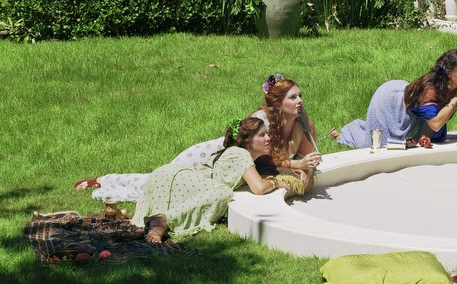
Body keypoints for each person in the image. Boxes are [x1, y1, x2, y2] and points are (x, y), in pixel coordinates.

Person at [74, 72, 287, 200]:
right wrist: (280, 180)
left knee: (153, 183)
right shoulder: (258, 125)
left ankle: (105, 180)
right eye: (293, 97)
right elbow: (260, 184)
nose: (300, 102)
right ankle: (103, 180)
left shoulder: (293, 124)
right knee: (151, 181)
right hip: (205, 155)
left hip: (210, 168)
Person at [129, 115, 294, 243]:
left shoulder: (237, 155)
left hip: (166, 174)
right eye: (262, 135)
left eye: (267, 134)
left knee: (140, 225)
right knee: (223, 192)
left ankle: (141, 227)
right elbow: (259, 188)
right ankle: (162, 220)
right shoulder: (240, 153)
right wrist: (276, 182)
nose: (268, 138)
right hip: (181, 176)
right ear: (248, 141)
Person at [334, 50, 457, 149]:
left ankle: (354, 130)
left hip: (409, 108)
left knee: (407, 142)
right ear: (448, 73)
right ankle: (343, 135)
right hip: (391, 100)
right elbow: (435, 124)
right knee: (379, 144)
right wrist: (456, 98)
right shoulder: (431, 90)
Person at [260, 75, 322, 182]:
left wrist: (306, 173)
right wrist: (298, 164)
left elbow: (305, 160)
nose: (300, 101)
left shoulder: (305, 127)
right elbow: (262, 159)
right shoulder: (263, 125)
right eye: (293, 97)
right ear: (278, 105)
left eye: (300, 96)